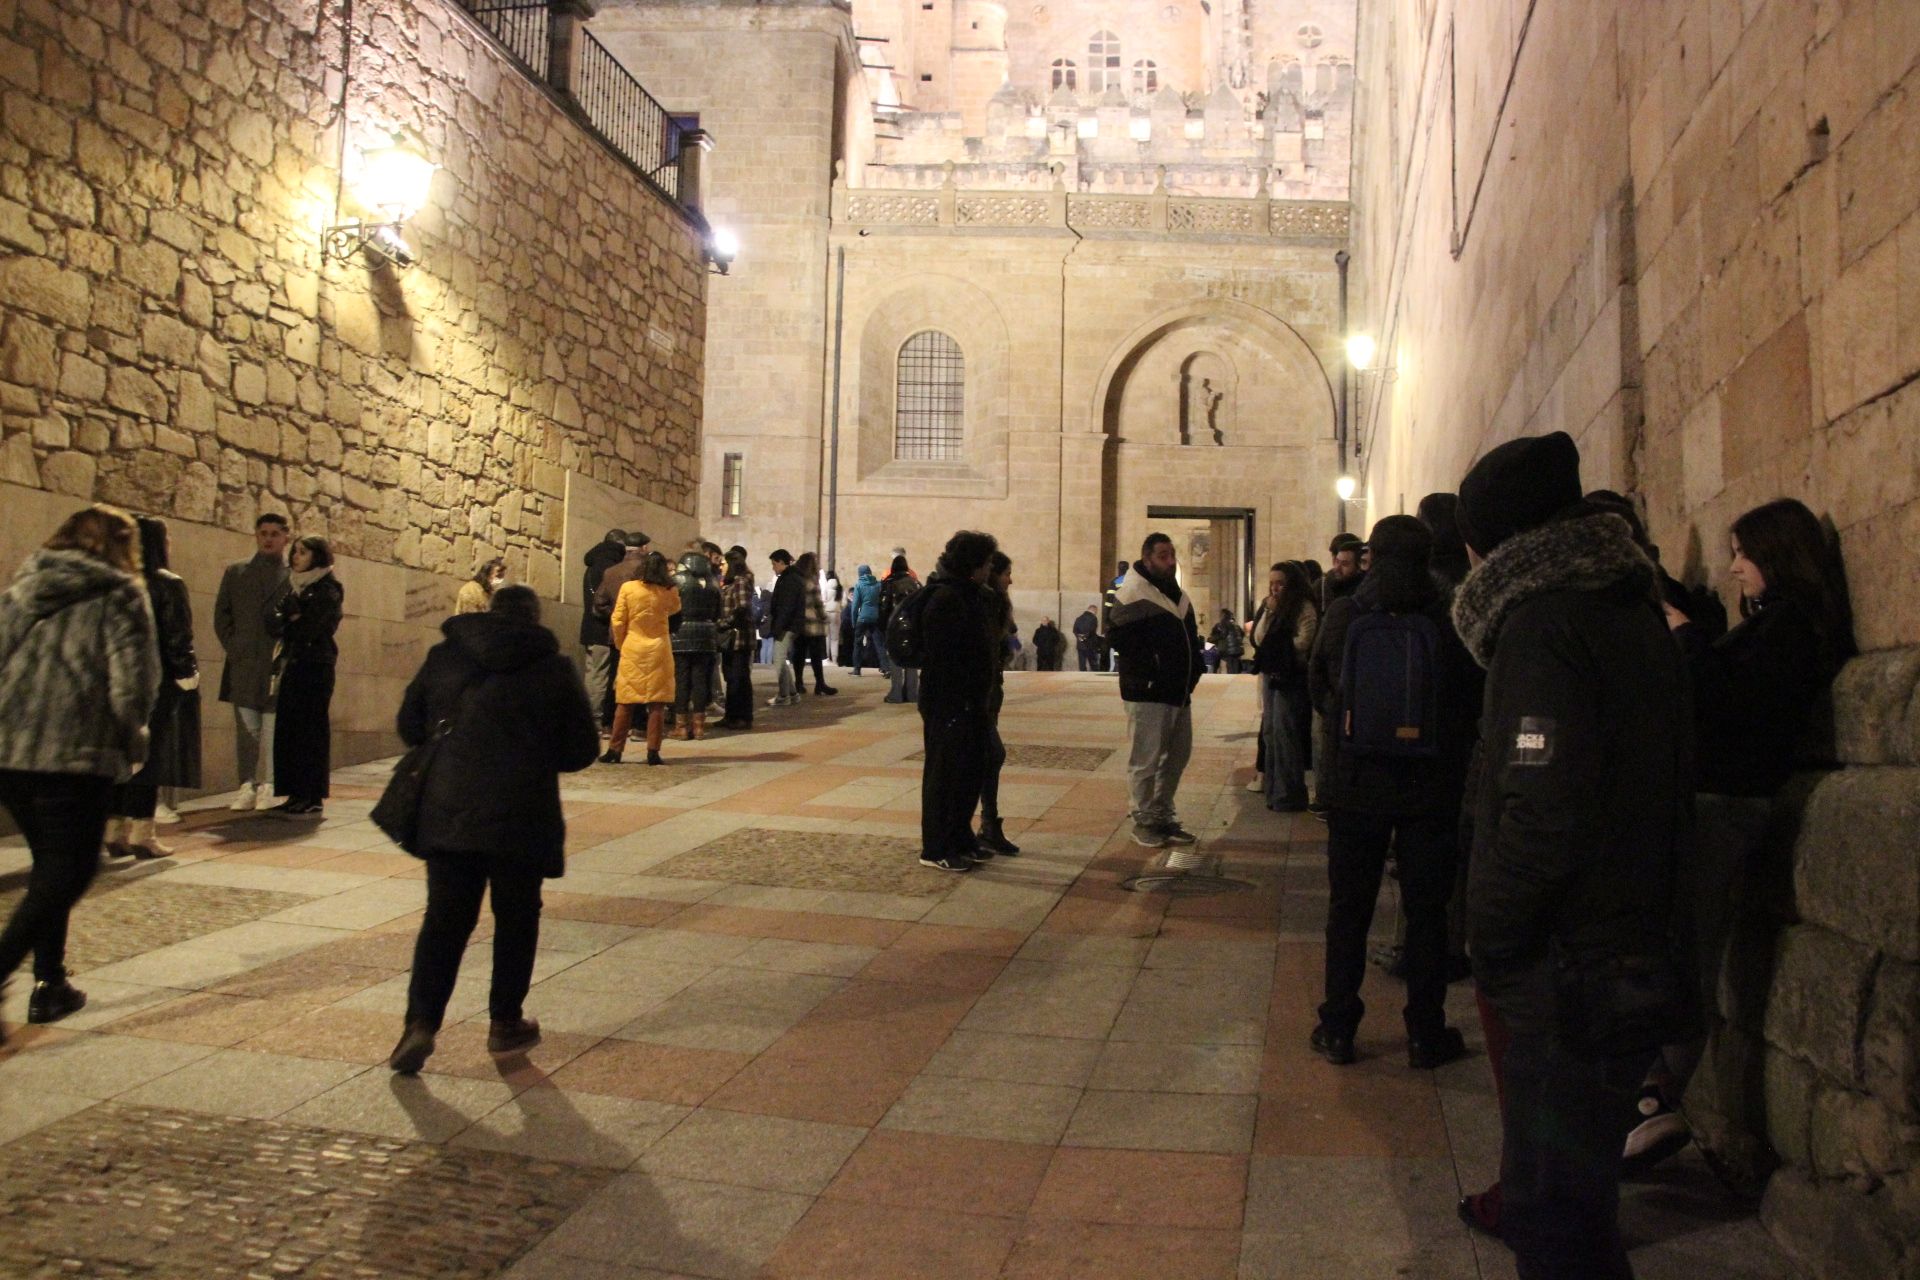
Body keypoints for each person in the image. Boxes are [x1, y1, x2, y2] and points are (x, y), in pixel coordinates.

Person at [1449, 431, 1693, 1280]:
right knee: (1573, 1203)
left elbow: (1540, 809)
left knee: (1556, 1215)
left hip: (1570, 965)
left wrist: (1490, 929)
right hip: (1620, 941)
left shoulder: (1545, 624)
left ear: (1496, 542)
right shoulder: (1622, 605)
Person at [1628, 497, 1854, 1177]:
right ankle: (1649, 1095)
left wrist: (1687, 635)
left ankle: (1653, 1099)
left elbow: (1732, 703)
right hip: (1718, 799)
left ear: (1774, 553)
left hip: (1727, 803)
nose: (1734, 569)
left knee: (1686, 947)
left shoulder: (1787, 629)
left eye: (1742, 554)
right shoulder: (1777, 625)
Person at [386, 585, 600, 1073]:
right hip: (522, 812)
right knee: (517, 917)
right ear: (534, 618)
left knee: (444, 920)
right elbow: (580, 749)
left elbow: (409, 723)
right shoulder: (552, 667)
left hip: (450, 807)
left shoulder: (446, 656)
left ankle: (420, 1022)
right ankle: (505, 1021)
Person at [1306, 517, 1481, 1070]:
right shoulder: (1450, 617)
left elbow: (1320, 688)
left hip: (1357, 785)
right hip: (1429, 789)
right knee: (1427, 911)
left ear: (1372, 556)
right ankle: (1425, 1033)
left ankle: (1338, 1027)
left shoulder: (1344, 613)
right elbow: (1469, 701)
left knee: (1348, 908)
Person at [0, 505, 159, 1038]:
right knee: (69, 870)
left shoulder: (26, 585)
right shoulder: (120, 592)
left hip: (12, 751)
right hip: (75, 751)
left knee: (51, 867)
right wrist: (132, 741)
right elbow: (132, 684)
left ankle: (50, 984)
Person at [104, 517, 201, 861]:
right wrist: (187, 674)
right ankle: (143, 833)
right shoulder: (167, 584)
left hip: (117, 681)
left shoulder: (115, 580)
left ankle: (114, 828)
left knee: (121, 755)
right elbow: (177, 634)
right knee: (149, 756)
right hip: (155, 681)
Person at [1108, 532, 1204, 849]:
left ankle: (1163, 814)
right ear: (1147, 558)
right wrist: (1154, 667)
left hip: (1178, 691)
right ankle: (1144, 820)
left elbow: (1190, 637)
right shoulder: (1133, 594)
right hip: (1148, 691)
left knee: (1177, 756)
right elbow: (1120, 639)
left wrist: (1195, 670)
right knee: (1145, 760)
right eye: (1163, 555)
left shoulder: (1176, 594)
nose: (1170, 561)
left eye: (1172, 554)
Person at [916, 531, 1000, 872]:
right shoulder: (946, 598)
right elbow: (944, 658)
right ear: (974, 564)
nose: (991, 568)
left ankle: (961, 838)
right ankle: (935, 848)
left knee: (969, 772)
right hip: (948, 702)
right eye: (988, 562)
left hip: (971, 701)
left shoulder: (972, 595)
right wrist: (961, 697)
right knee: (944, 775)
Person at [214, 512, 289, 810]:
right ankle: (246, 783)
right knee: (247, 730)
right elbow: (222, 616)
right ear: (256, 536)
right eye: (263, 533)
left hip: (274, 665)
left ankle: (270, 784)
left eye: (274, 533)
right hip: (244, 664)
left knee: (272, 729)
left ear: (285, 537)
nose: (268, 538)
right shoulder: (236, 573)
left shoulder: (290, 575)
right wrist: (235, 648)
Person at [267, 536, 343, 816]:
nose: (296, 557)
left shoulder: (327, 587)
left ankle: (311, 795)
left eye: (303, 552)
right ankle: (293, 791)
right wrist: (290, 619)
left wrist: (295, 619)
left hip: (315, 665)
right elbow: (275, 623)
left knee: (310, 730)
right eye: (295, 552)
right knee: (289, 730)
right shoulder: (294, 587)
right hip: (294, 663)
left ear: (317, 556)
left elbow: (312, 628)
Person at [1249, 561, 1317, 812]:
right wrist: (1269, 613)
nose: (1275, 589)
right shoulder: (1271, 606)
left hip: (1290, 676)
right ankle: (1274, 789)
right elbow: (1258, 638)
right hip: (1271, 674)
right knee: (1270, 732)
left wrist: (1277, 644)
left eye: (1280, 583)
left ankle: (1289, 793)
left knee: (1285, 733)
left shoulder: (1303, 607)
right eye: (1272, 584)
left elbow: (1303, 642)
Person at [603, 551, 679, 765]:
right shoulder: (668, 590)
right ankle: (653, 751)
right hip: (659, 648)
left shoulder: (629, 589)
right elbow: (675, 608)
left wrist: (621, 643)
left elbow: (617, 620)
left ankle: (615, 750)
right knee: (657, 703)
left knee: (625, 700)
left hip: (633, 646)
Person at [974, 550, 1021, 858]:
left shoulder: (996, 605)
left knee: (986, 757)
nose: (1010, 579)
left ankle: (989, 824)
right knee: (990, 754)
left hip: (992, 689)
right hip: (980, 691)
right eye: (1006, 573)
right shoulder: (985, 605)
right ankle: (983, 825)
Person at [580, 529, 630, 732]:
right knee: (601, 674)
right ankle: (596, 717)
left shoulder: (592, 565)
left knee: (592, 672)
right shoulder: (611, 567)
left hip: (589, 626)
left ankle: (590, 715)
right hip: (603, 628)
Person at [670, 545, 722, 740]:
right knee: (701, 681)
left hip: (680, 635)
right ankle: (699, 727)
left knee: (681, 680)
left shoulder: (677, 581)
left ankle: (681, 727)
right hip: (706, 636)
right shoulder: (713, 583)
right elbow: (718, 613)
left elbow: (669, 609)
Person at [718, 546, 756, 729]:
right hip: (730, 638)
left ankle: (742, 716)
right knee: (731, 677)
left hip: (738, 637)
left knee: (739, 678)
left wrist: (725, 623)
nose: (721, 566)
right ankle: (731, 714)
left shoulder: (740, 582)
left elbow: (742, 608)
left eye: (724, 563)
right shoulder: (731, 582)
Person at [790, 552, 837, 695]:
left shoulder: (796, 580)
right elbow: (818, 604)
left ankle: (798, 683)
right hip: (813, 624)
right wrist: (825, 617)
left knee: (799, 655)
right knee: (816, 655)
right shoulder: (811, 582)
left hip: (799, 624)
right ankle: (820, 684)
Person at [881, 554, 921, 703]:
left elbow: (884, 607)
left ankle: (896, 693)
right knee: (911, 660)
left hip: (894, 625)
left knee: (895, 659)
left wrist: (883, 625)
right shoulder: (915, 583)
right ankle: (912, 693)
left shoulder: (889, 583)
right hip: (912, 626)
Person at [765, 549, 803, 707]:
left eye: (774, 564)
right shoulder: (790, 578)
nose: (773, 567)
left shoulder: (789, 580)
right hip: (789, 624)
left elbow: (786, 607)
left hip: (786, 625)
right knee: (781, 660)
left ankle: (783, 695)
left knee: (779, 660)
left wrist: (778, 628)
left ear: (781, 562)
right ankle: (792, 693)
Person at [848, 563, 888, 676]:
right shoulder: (878, 585)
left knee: (858, 643)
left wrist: (853, 620)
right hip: (875, 617)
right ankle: (886, 667)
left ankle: (857, 669)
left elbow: (855, 605)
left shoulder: (859, 585)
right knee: (879, 643)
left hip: (863, 617)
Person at [1208, 608, 1246, 674]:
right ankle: (1235, 678)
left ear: (1223, 615)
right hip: (1238, 648)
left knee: (1230, 667)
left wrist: (1211, 639)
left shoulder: (1223, 623)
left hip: (1229, 649)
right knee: (1235, 666)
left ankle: (1215, 673)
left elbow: (1223, 635)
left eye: (1220, 614)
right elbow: (1242, 633)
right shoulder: (1235, 625)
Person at [1072, 604, 1100, 671]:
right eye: (1096, 612)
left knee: (1082, 665)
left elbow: (1074, 630)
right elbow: (1092, 631)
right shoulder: (1093, 618)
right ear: (1094, 610)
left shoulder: (1078, 618)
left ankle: (1082, 679)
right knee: (1093, 664)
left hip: (1080, 645)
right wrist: (1085, 637)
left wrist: (1081, 638)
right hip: (1090, 644)